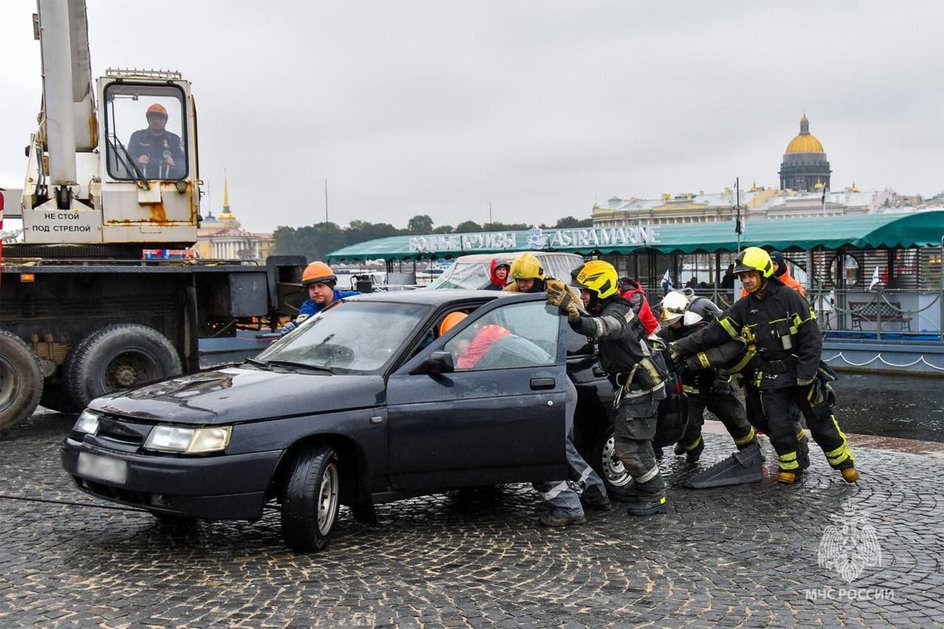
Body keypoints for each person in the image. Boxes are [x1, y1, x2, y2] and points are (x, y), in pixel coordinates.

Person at [671, 247, 858, 485]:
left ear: (764, 273)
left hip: (801, 372)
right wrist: (679, 347)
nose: (746, 280)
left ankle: (844, 464)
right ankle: (791, 466)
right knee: (777, 424)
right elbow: (713, 332)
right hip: (771, 376)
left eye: (751, 275)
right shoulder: (744, 307)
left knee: (820, 421)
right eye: (742, 276)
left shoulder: (790, 298)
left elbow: (811, 337)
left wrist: (807, 373)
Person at [439, 302, 611, 527]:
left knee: (544, 452)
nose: (456, 351)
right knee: (562, 449)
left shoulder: (482, 343)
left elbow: (463, 369)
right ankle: (597, 494)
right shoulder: (491, 333)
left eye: (454, 346)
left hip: (550, 392)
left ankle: (568, 507)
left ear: (465, 336)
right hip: (557, 389)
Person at [547, 260, 670, 516]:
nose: (581, 295)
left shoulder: (619, 310)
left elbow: (605, 328)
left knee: (627, 446)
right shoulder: (608, 306)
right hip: (633, 386)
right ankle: (652, 491)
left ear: (600, 288)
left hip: (641, 386)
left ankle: (654, 495)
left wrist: (574, 312)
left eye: (585, 291)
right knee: (639, 443)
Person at [657, 290, 758, 462]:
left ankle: (752, 451)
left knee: (736, 419)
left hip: (717, 383)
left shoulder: (709, 329)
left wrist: (723, 378)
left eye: (674, 322)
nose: (672, 326)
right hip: (692, 386)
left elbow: (727, 354)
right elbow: (659, 343)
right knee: (689, 426)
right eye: (669, 323)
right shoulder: (669, 331)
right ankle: (693, 451)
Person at [281, 261, 360, 334]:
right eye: (312, 287)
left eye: (320, 286)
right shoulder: (308, 308)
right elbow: (305, 326)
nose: (316, 291)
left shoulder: (350, 299)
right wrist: (295, 328)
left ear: (331, 286)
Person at [127, 103, 185, 179]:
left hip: (170, 184)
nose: (156, 121)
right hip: (141, 184)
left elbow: (183, 162)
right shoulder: (137, 137)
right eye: (153, 118)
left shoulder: (174, 139)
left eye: (160, 119)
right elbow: (128, 159)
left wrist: (174, 163)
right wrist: (138, 160)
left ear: (165, 121)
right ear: (148, 120)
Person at [740, 251, 806, 299]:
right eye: (770, 263)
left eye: (775, 264)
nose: (772, 266)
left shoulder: (793, 285)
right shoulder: (759, 282)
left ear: (781, 265)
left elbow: (800, 305)